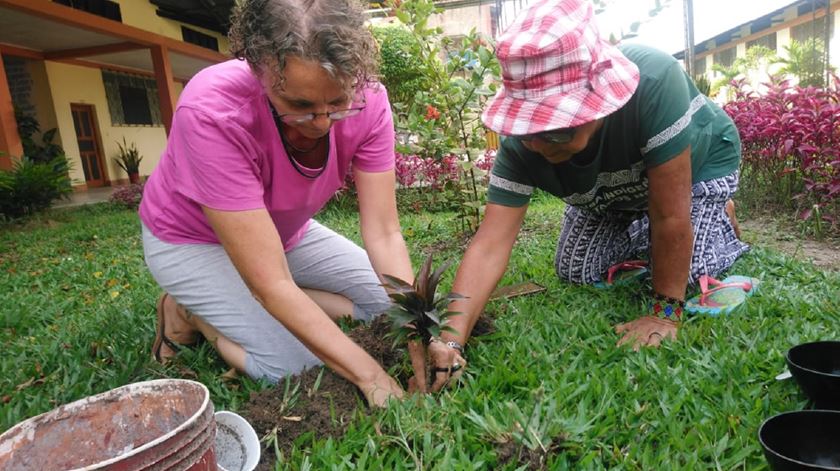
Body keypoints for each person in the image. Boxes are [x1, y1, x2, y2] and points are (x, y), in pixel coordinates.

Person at [419, 0, 752, 389]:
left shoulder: (655, 81)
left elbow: (670, 217)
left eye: (558, 130)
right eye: (529, 132)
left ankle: (715, 213)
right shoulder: (518, 149)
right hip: (609, 193)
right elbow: (490, 244)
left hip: (697, 169)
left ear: (600, 99)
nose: (541, 146)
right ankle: (650, 232)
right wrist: (449, 339)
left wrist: (664, 313)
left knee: (689, 272)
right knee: (576, 269)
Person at [139, 0, 411, 407]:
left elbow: (385, 232)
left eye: (337, 102)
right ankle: (191, 314)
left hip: (282, 233)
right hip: (191, 240)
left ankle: (242, 301)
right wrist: (370, 375)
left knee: (389, 310)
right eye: (300, 106)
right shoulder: (213, 110)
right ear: (258, 69)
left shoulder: (370, 100)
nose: (321, 123)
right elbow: (272, 283)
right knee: (295, 363)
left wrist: (420, 325)